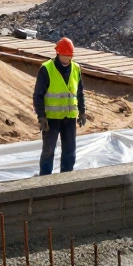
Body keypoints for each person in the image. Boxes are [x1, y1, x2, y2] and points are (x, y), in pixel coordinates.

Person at [33, 37, 87, 175]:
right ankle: (45, 179)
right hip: (51, 119)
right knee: (48, 150)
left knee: (69, 150)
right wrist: (41, 117)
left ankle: (66, 178)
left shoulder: (76, 68)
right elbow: (38, 95)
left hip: (69, 117)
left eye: (70, 56)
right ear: (58, 53)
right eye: (65, 55)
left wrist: (82, 111)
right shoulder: (46, 69)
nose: (67, 58)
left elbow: (79, 92)